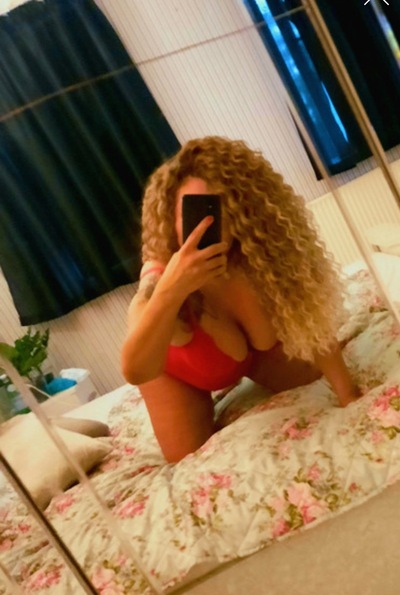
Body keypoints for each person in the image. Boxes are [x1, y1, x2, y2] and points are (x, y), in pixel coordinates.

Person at [121, 136, 360, 463]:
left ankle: (247, 367)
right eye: (193, 212)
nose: (207, 223)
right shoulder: (159, 275)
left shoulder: (259, 253)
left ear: (244, 207)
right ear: (170, 220)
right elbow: (134, 369)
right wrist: (173, 289)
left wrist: (349, 396)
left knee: (311, 373)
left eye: (217, 207)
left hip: (252, 356)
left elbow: (312, 323)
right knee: (187, 456)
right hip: (179, 371)